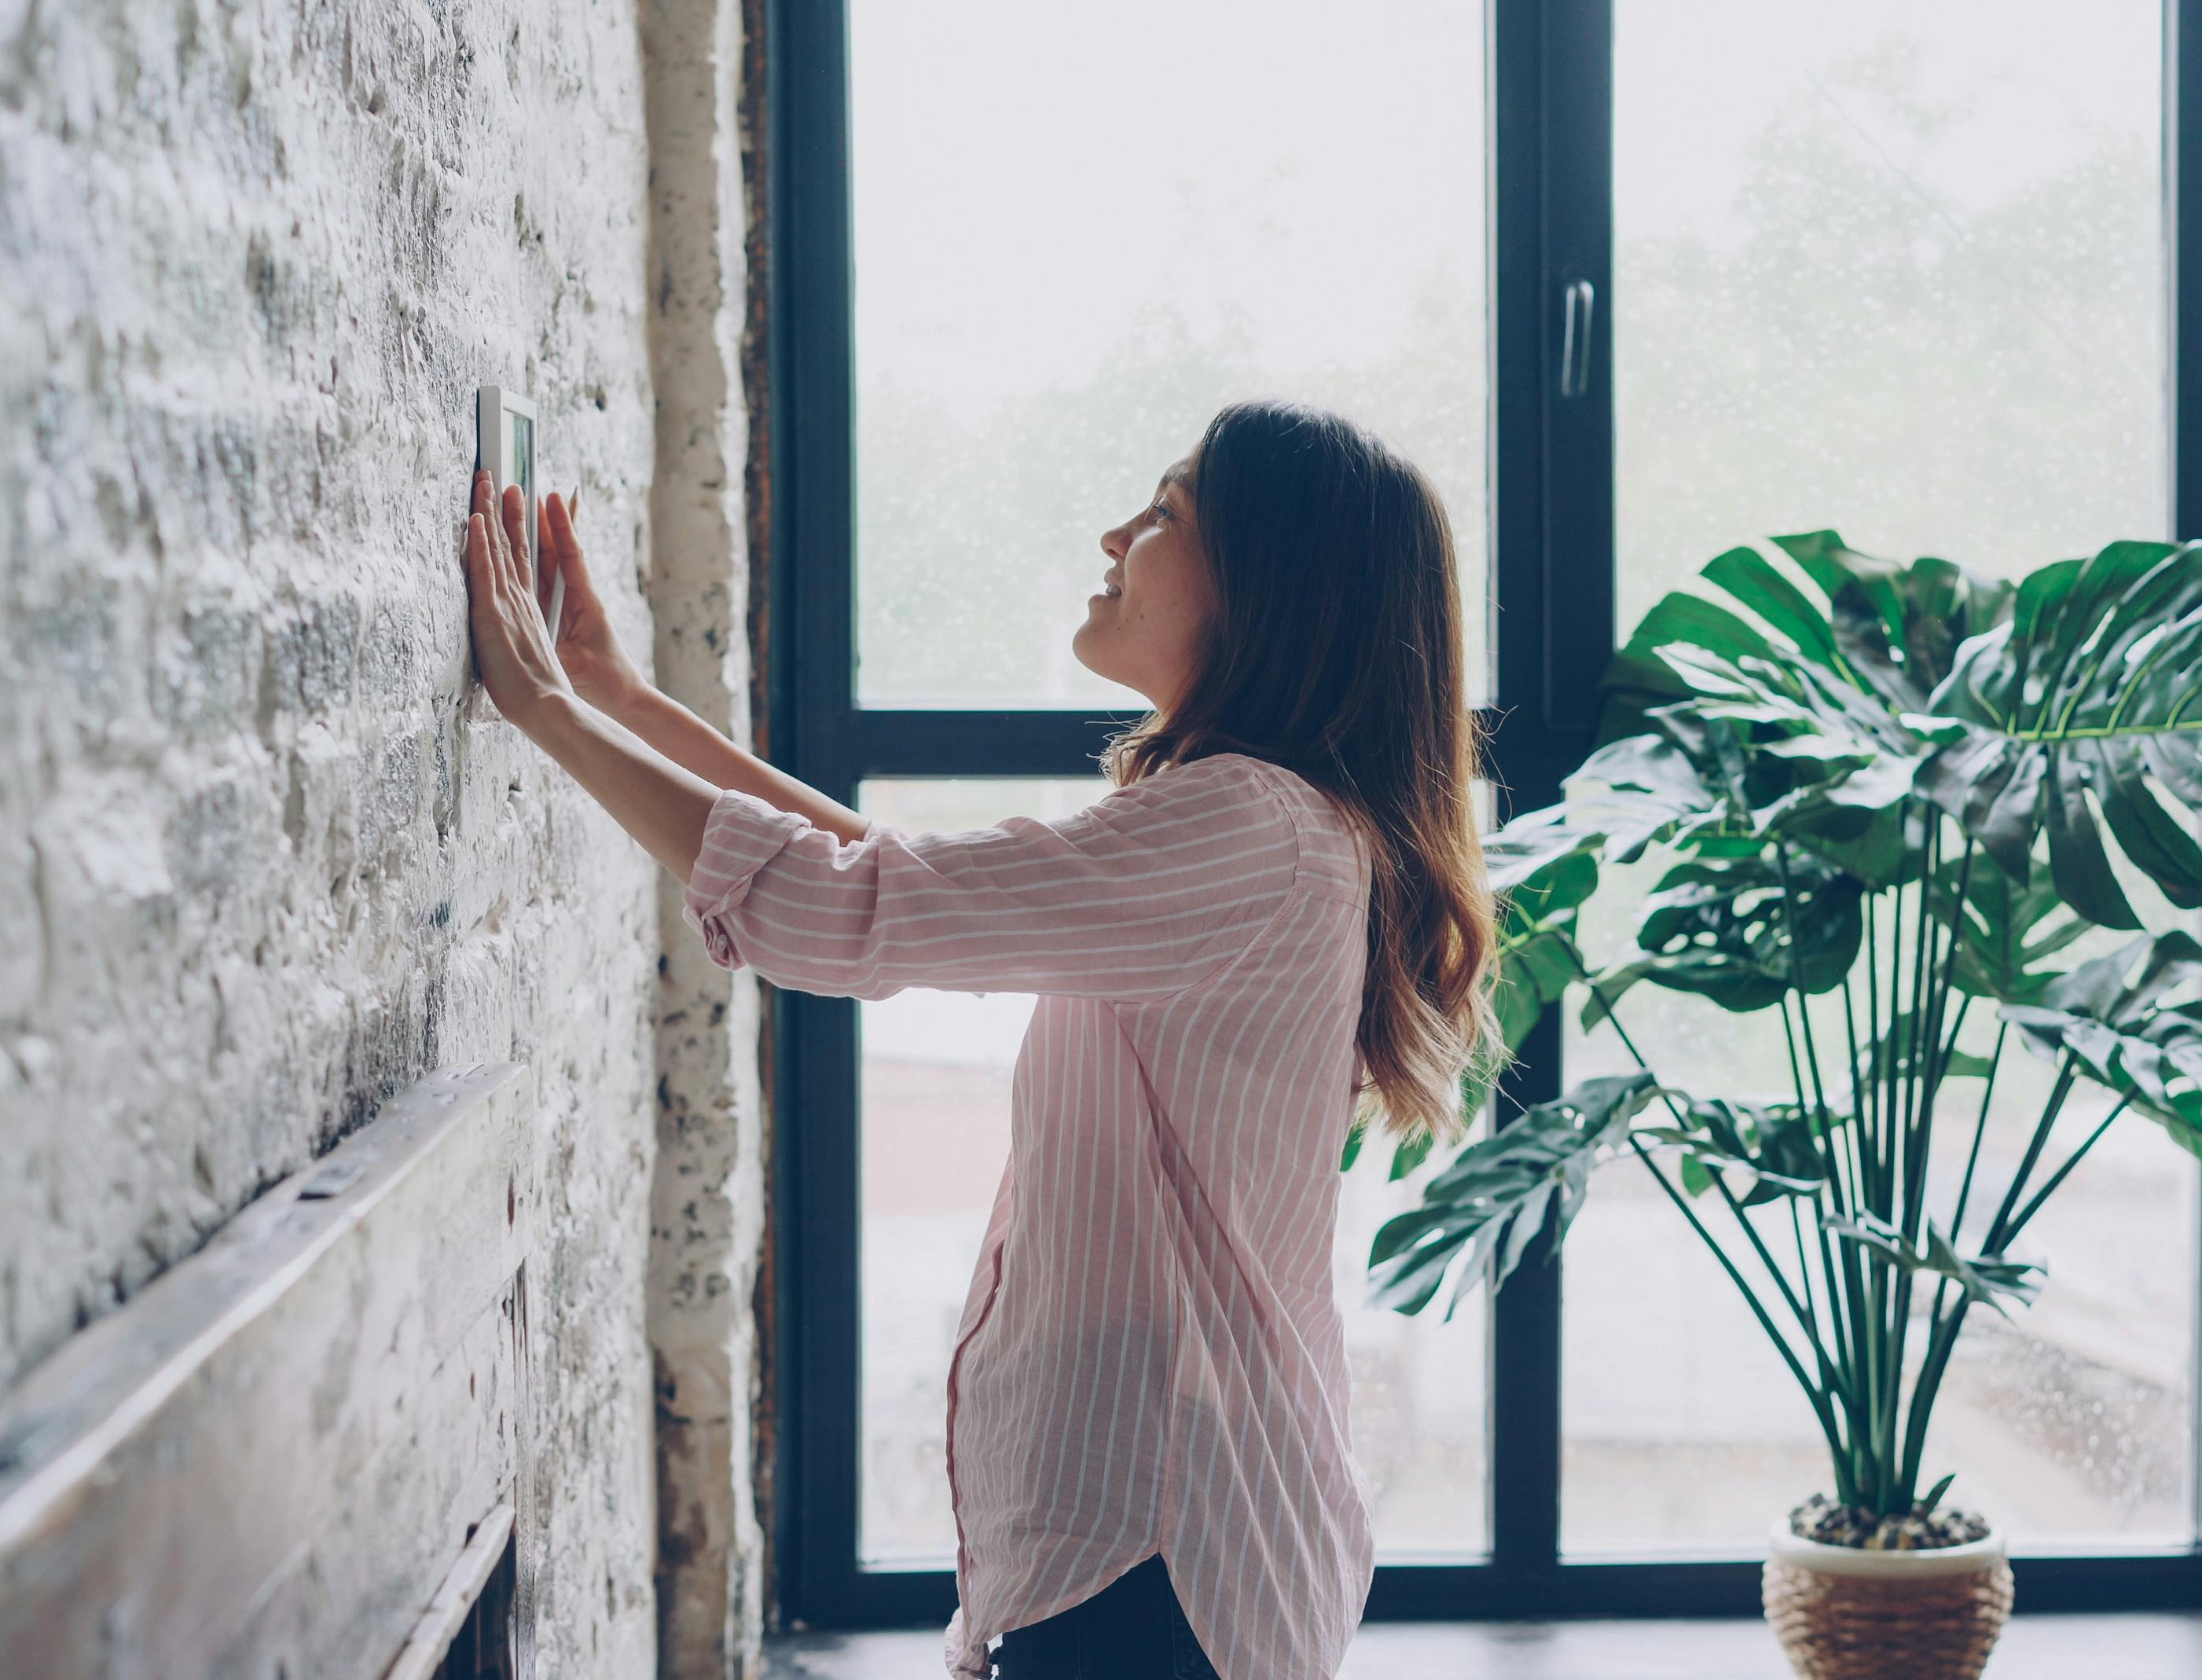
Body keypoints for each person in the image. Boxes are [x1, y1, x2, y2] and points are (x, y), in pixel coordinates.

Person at [457, 398, 1496, 1679]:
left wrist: (550, 711)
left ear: (1271, 586)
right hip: (1174, 1539)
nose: (1119, 532)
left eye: (1168, 511)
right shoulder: (1268, 825)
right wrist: (618, 699)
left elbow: (848, 907)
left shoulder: (1249, 829)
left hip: (1166, 1550)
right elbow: (886, 877)